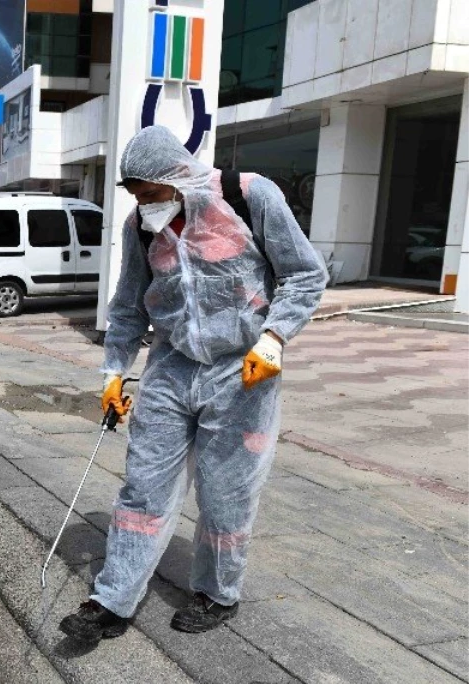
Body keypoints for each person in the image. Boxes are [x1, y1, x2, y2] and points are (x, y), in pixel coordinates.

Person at [59, 125, 327, 644]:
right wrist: (114, 372)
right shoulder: (140, 225)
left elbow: (304, 274)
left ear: (178, 177)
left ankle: (217, 592)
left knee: (226, 493)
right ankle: (112, 599)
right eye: (137, 198)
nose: (146, 207)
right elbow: (129, 303)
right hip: (171, 366)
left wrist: (274, 338)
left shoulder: (250, 196)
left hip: (242, 371)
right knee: (143, 488)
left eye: (152, 195)